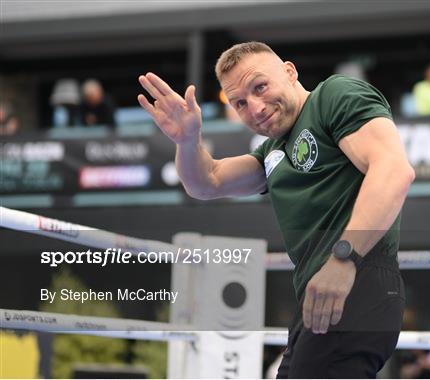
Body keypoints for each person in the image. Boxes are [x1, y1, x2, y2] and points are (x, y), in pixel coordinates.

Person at [137, 41, 415, 378]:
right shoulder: (273, 151)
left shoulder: (334, 96)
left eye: (260, 87)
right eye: (239, 102)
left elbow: (394, 170)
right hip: (320, 293)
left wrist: (344, 258)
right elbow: (206, 182)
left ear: (290, 71)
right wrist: (187, 140)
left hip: (356, 277)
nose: (254, 108)